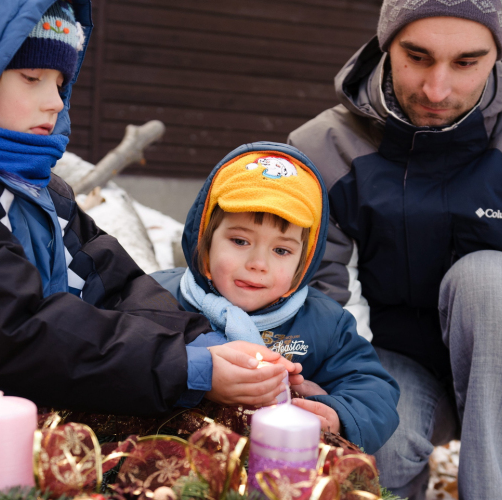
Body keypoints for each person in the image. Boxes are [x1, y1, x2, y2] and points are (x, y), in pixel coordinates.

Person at [0, 1, 299, 497]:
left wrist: (204, 345)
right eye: (32, 77)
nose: (56, 102)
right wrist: (185, 367)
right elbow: (18, 334)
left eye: (60, 82)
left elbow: (117, 287)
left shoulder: (33, 185)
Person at [288, 1, 502, 499]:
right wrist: (352, 403)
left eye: (466, 62)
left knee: (491, 276)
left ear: (498, 55)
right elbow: (324, 301)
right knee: (376, 441)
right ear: (387, 43)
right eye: (418, 56)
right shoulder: (326, 148)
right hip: (388, 366)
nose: (437, 89)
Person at [151, 141, 400, 453]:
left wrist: (338, 414)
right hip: (165, 459)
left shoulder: (324, 322)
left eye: (281, 250)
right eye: (240, 240)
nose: (258, 263)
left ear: (304, 261)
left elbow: (372, 388)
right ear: (205, 238)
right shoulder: (157, 298)